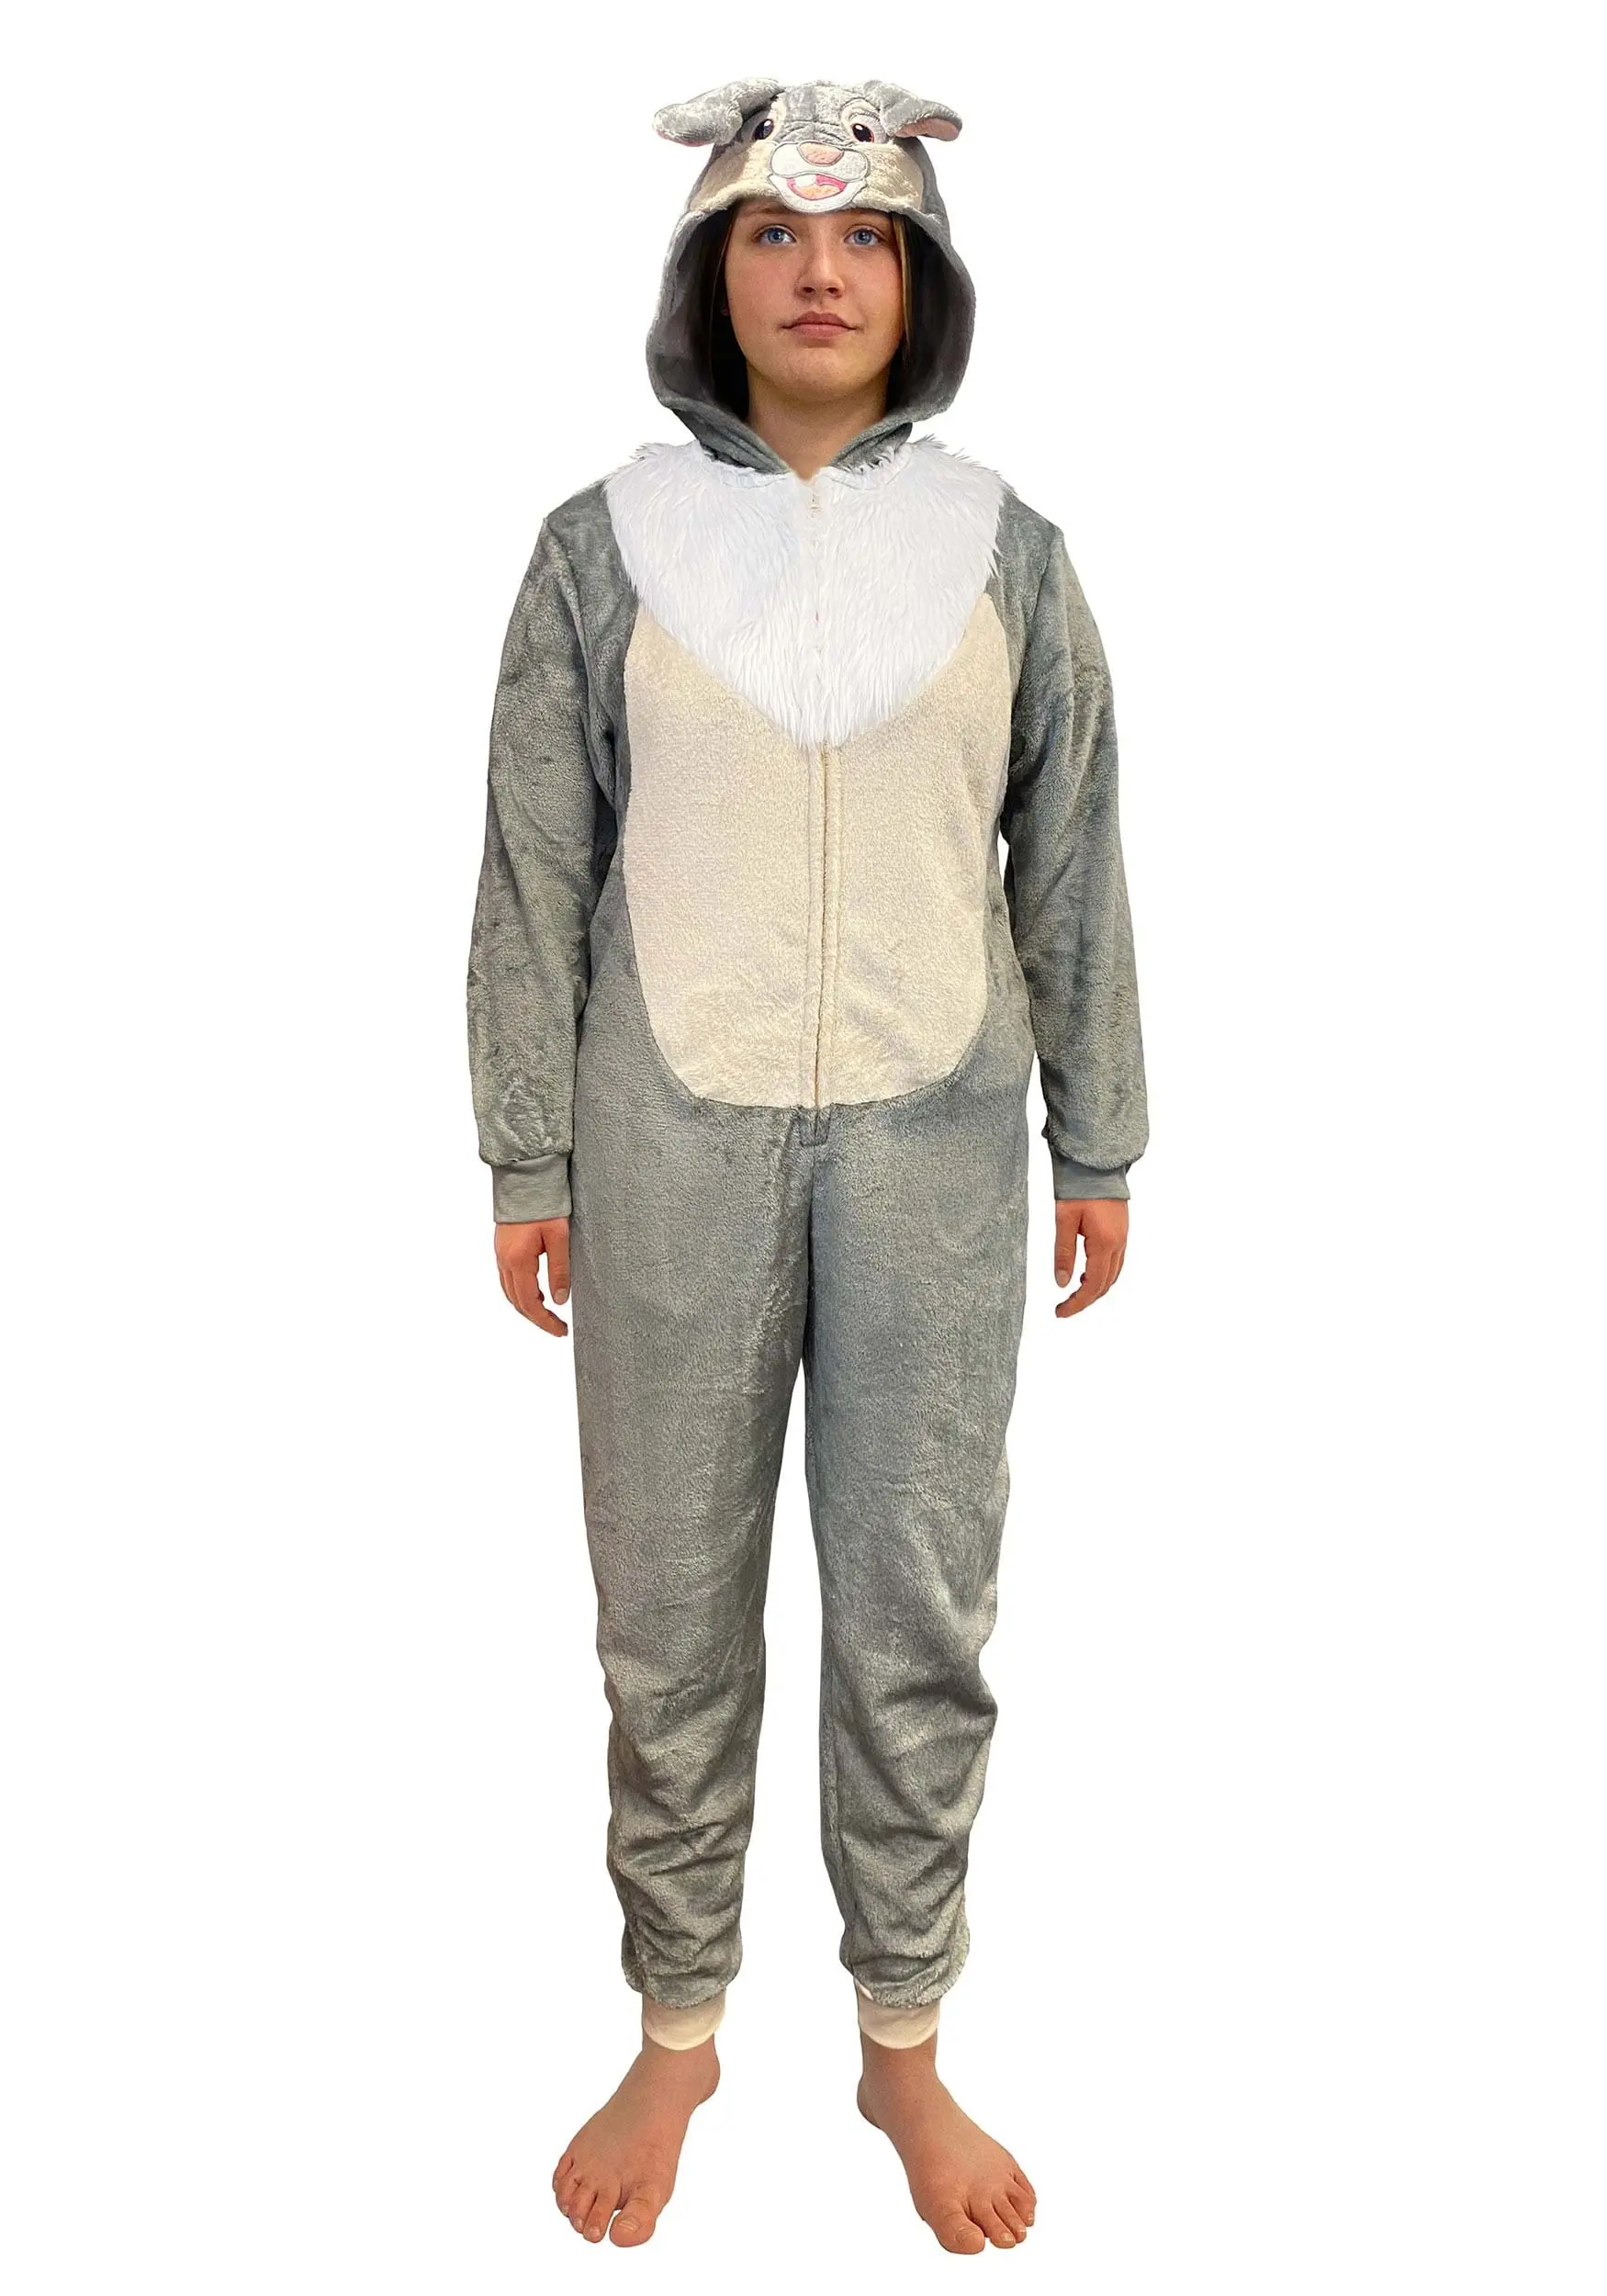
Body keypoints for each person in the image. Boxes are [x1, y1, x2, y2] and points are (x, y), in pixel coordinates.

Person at [466, 75, 1148, 2255]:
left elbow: (1070, 854)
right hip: (665, 1130)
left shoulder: (1006, 550)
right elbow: (533, 869)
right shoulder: (599, 545)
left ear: (919, 276)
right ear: (712, 274)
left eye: (861, 237)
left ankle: (899, 2033)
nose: (819, 271)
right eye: (770, 234)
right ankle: (676, 2021)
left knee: (917, 1602)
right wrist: (526, 1151)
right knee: (667, 1601)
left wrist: (1097, 1128)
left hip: (935, 1134)